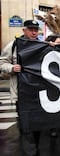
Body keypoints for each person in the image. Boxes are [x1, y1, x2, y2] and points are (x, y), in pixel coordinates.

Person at [0, 20, 43, 155]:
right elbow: (2, 63)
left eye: (36, 29)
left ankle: (36, 146)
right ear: (24, 30)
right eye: (31, 29)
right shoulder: (13, 45)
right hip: (21, 93)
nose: (34, 32)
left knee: (38, 124)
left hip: (38, 93)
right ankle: (31, 151)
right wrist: (12, 67)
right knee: (25, 125)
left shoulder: (42, 45)